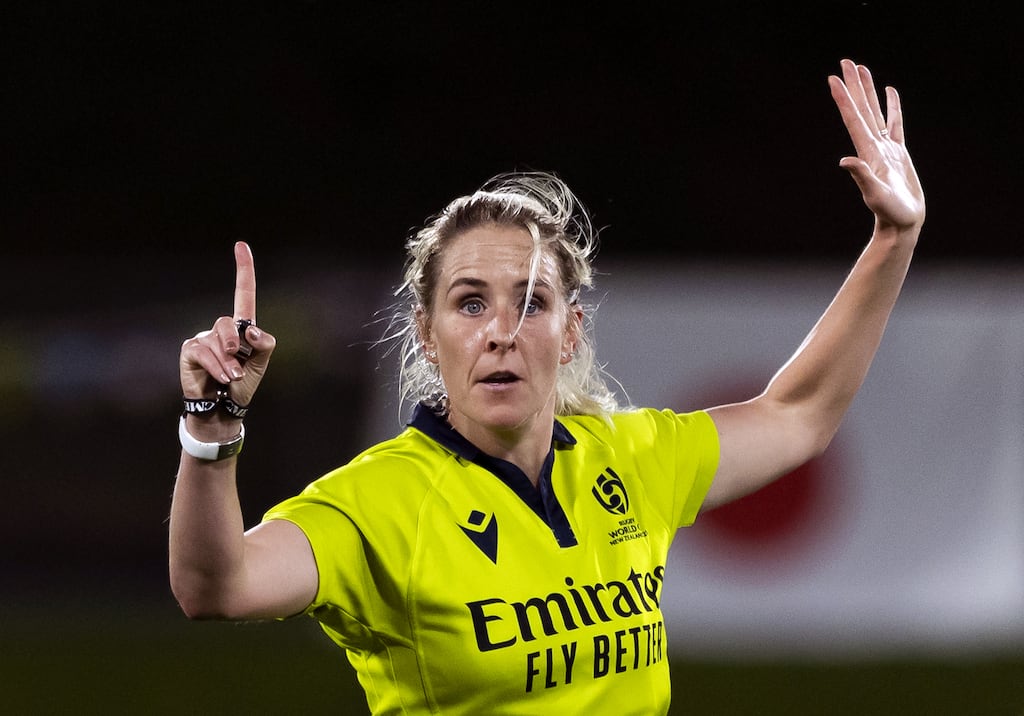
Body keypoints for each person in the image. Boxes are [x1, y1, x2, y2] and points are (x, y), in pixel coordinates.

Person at [169, 59, 925, 715]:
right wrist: (211, 425)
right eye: (470, 303)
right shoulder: (378, 504)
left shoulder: (629, 460)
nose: (501, 329)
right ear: (428, 337)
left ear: (569, 332)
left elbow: (797, 415)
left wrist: (893, 241)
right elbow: (218, 587)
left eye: (531, 301)